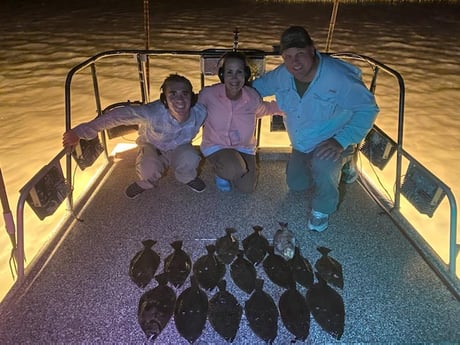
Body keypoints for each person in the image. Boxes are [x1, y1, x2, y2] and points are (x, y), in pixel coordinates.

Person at [252, 26, 379, 232]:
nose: (294, 62)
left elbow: (368, 109)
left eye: (300, 54)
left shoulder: (339, 77)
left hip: (333, 140)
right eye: (288, 56)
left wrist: (340, 141)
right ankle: (335, 168)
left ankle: (324, 207)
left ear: (312, 50)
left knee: (323, 164)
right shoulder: (282, 74)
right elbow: (254, 90)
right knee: (296, 184)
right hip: (302, 143)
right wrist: (226, 91)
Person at [62, 74, 207, 199]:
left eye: (185, 93)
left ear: (192, 97)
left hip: (179, 147)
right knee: (148, 168)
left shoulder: (201, 112)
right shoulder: (152, 112)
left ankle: (187, 177)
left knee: (192, 157)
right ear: (164, 99)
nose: (180, 99)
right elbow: (116, 117)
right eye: (173, 94)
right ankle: (145, 183)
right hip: (153, 146)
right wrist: (79, 132)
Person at [198, 51, 283, 193]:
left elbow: (264, 109)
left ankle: (233, 167)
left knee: (247, 188)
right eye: (229, 72)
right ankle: (222, 173)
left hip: (243, 147)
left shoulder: (252, 96)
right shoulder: (208, 95)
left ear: (246, 74)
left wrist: (287, 107)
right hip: (217, 146)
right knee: (233, 169)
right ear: (222, 75)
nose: (234, 78)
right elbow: (194, 113)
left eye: (239, 72)